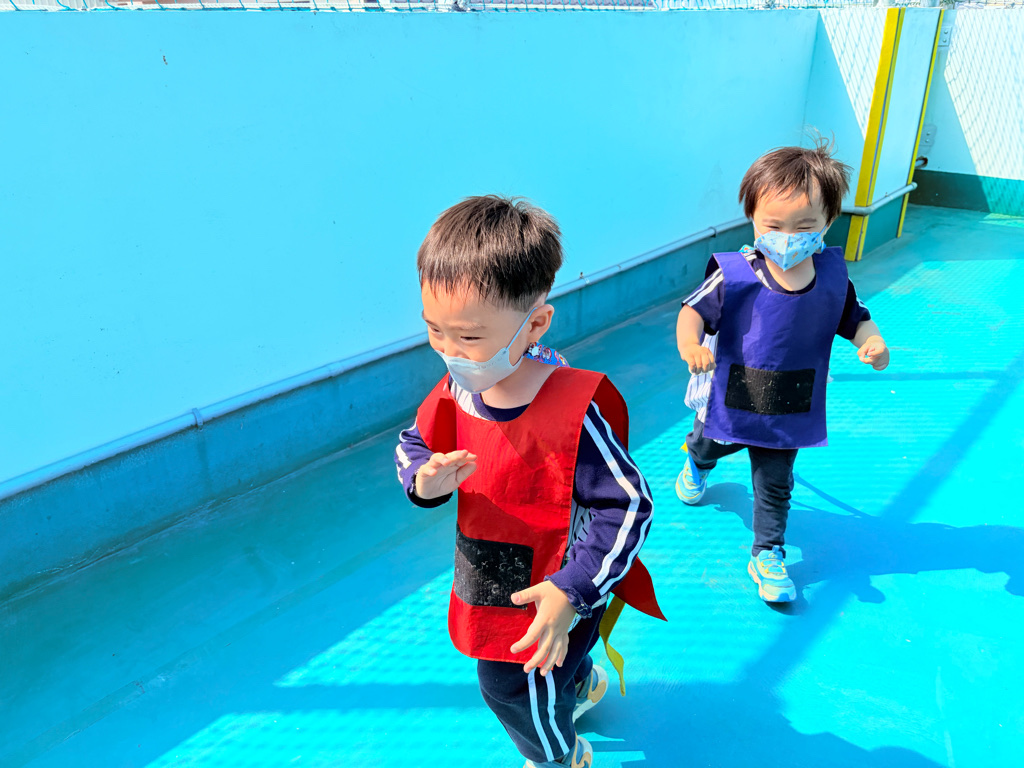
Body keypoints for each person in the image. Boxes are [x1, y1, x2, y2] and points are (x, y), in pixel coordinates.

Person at [395, 195, 662, 768]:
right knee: (548, 675)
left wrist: (572, 591)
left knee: (509, 688)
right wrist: (424, 479)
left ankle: (557, 756)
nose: (449, 353)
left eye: (469, 338)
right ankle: (579, 682)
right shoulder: (460, 389)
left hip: (557, 590)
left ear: (535, 323)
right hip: (492, 576)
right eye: (434, 331)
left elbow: (629, 504)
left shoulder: (570, 411)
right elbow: (414, 442)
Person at [675, 138, 890, 604]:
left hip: (791, 402)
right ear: (752, 217)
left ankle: (767, 552)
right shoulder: (734, 274)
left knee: (774, 483)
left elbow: (855, 318)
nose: (788, 236)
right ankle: (697, 461)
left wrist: (871, 342)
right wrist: (690, 345)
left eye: (805, 225)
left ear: (828, 222)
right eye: (773, 224)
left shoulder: (833, 279)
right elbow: (692, 311)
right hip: (733, 393)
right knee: (710, 441)